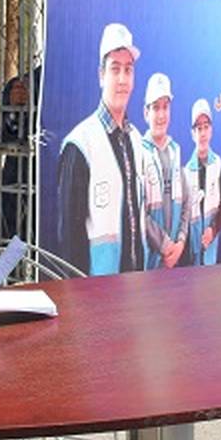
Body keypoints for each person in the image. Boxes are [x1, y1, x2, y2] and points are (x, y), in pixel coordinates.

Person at [58, 23, 146, 274]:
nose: (122, 79)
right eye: (115, 69)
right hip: (97, 287)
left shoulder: (136, 140)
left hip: (135, 283)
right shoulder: (80, 144)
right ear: (101, 75)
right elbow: (69, 238)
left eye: (128, 70)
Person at [139, 72, 187, 269]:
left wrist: (180, 242)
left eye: (165, 107)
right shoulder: (138, 153)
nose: (161, 115)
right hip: (147, 265)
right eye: (155, 107)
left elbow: (186, 203)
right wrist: (165, 245)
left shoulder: (176, 151)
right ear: (146, 113)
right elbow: (137, 211)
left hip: (174, 260)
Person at [0, 67, 40, 241]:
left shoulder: (98, 82)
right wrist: (14, 111)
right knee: (14, 253)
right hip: (20, 201)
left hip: (66, 205)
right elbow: (0, 140)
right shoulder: (24, 84)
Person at [183, 98, 221, 266]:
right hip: (191, 255)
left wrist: (213, 229)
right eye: (198, 128)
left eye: (206, 127)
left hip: (212, 249)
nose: (202, 133)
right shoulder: (186, 173)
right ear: (192, 133)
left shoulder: (218, 164)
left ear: (211, 130)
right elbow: (182, 218)